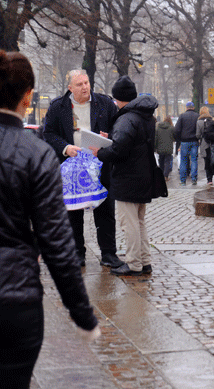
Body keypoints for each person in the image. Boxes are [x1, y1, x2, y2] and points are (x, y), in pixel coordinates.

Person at [0, 50, 99, 388]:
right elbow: (56, 243)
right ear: (27, 96)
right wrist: (82, 313)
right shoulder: (35, 154)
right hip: (15, 302)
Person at [43, 69, 123, 269]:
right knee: (73, 212)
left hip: (100, 165)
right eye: (79, 84)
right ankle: (77, 253)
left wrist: (108, 135)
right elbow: (49, 133)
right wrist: (65, 147)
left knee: (105, 210)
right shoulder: (57, 107)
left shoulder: (104, 104)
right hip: (71, 169)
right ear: (70, 88)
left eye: (86, 82)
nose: (85, 87)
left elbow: (118, 128)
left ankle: (108, 254)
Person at [91, 76, 158, 276]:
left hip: (128, 178)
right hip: (143, 176)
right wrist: (111, 138)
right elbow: (130, 143)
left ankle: (134, 263)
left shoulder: (126, 118)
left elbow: (119, 150)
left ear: (117, 98)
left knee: (129, 224)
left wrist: (99, 152)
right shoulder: (145, 115)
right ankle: (144, 261)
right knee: (139, 222)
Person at [174, 101, 200, 185]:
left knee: (183, 161)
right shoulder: (197, 116)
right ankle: (194, 179)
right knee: (194, 160)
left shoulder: (182, 116)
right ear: (193, 107)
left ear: (186, 107)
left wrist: (179, 140)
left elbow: (177, 130)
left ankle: (183, 181)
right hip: (194, 141)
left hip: (184, 141)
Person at [196, 106, 214, 184]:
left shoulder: (199, 122)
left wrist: (200, 138)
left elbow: (197, 135)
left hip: (204, 143)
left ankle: (209, 179)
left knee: (206, 161)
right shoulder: (212, 120)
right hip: (213, 143)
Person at [155, 116, 175, 180]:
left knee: (161, 161)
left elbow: (156, 138)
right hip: (168, 148)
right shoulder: (171, 128)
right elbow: (174, 137)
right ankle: (166, 176)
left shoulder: (158, 128)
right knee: (167, 162)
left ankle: (161, 175)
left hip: (160, 148)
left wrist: (155, 147)